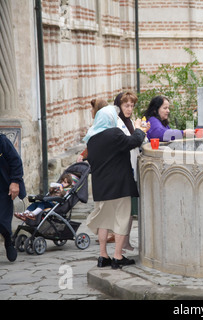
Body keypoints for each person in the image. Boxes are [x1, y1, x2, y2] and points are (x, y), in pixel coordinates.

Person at [83, 105, 148, 269]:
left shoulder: (91, 139)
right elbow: (134, 141)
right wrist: (139, 129)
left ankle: (103, 256)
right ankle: (118, 257)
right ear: (110, 119)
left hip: (100, 187)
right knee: (121, 220)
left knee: (103, 221)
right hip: (119, 186)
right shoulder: (114, 133)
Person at [113, 91, 150, 251]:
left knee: (128, 212)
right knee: (122, 212)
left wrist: (143, 132)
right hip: (121, 170)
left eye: (132, 106)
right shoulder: (117, 123)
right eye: (126, 105)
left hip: (131, 169)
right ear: (119, 106)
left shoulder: (128, 122)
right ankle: (118, 248)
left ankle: (125, 242)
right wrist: (138, 131)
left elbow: (140, 142)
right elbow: (129, 142)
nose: (129, 109)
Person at [0, 127, 26, 266]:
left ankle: (8, 238)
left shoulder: (0, 140)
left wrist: (15, 182)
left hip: (2, 188)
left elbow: (15, 161)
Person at [14, 173, 78, 221]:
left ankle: (33, 214)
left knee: (42, 204)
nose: (63, 183)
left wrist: (61, 189)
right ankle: (25, 213)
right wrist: (52, 189)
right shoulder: (57, 188)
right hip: (49, 201)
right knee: (35, 204)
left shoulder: (67, 190)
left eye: (65, 183)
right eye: (62, 181)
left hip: (55, 204)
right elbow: (50, 193)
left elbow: (64, 196)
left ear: (69, 184)